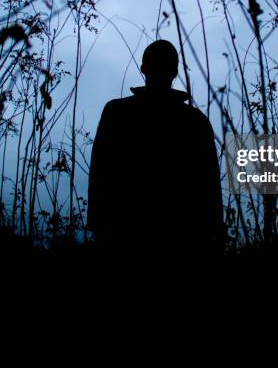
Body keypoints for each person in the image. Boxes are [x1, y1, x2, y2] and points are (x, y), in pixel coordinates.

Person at [87, 40, 224, 258]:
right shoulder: (194, 121)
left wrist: (213, 231)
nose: (160, 71)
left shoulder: (194, 122)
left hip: (177, 238)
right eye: (157, 64)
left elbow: (208, 183)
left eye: (164, 65)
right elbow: (101, 171)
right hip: (131, 235)